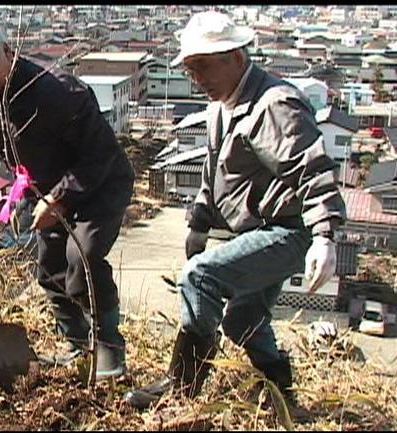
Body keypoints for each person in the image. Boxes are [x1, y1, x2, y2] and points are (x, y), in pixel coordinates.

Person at [124, 11, 346, 412]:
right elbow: (213, 173)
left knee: (199, 277)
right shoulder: (222, 105)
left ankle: (181, 391)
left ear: (237, 57)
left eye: (204, 67)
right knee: (242, 321)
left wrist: (325, 234)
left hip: (289, 230)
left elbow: (311, 168)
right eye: (191, 70)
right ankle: (281, 396)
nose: (198, 79)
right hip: (258, 231)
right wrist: (199, 222)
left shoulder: (273, 105)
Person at [0, 15, 135, 380]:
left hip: (99, 185)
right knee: (51, 272)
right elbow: (2, 128)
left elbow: (100, 155)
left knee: (83, 260)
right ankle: (76, 343)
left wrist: (60, 198)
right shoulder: (0, 92)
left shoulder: (59, 92)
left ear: (7, 51)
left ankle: (109, 348)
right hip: (47, 189)